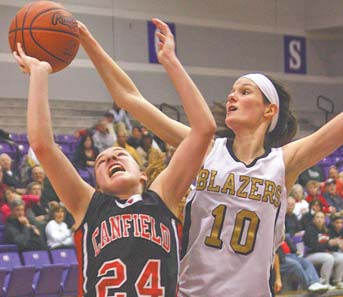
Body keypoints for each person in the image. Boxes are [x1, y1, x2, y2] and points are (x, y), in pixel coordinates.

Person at [77, 13, 343, 297]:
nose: (232, 97)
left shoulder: (283, 161)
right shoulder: (205, 149)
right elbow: (130, 99)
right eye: (231, 92)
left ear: (269, 110)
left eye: (244, 92)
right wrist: (89, 42)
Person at [13, 16, 216, 297]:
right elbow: (43, 145)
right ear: (96, 183)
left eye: (119, 154)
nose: (110, 158)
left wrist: (170, 60)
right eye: (101, 161)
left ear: (143, 174)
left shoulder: (163, 198)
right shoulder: (88, 205)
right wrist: (39, 72)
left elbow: (204, 130)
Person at [303, 211, 343, 289]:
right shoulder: (309, 230)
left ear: (324, 220)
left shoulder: (327, 230)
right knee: (328, 258)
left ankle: (337, 281)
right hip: (310, 255)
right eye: (317, 217)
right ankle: (325, 283)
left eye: (322, 217)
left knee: (341, 257)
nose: (319, 219)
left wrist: (337, 244)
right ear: (313, 220)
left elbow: (331, 246)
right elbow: (313, 246)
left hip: (324, 253)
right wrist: (329, 244)